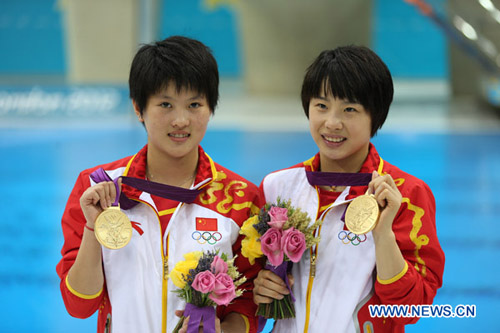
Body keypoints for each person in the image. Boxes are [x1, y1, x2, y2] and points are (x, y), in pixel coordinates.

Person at [56, 36, 263, 333]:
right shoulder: (98, 188)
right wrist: (93, 228)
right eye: (165, 104)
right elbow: (78, 306)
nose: (180, 120)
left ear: (211, 108)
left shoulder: (241, 198)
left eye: (194, 105)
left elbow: (249, 302)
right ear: (138, 108)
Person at [253, 46, 445, 332]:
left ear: (375, 116)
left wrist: (383, 234)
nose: (332, 123)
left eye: (350, 109)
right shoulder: (278, 186)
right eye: (321, 106)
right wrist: (260, 286)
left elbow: (411, 308)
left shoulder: (406, 194)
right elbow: (248, 286)